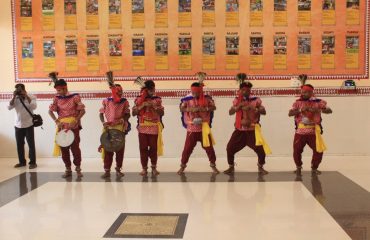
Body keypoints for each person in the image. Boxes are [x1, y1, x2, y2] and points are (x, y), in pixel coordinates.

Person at [224, 78, 271, 175]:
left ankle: (261, 167)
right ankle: (231, 167)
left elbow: (264, 111)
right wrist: (238, 107)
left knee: (261, 151)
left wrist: (254, 108)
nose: (246, 92)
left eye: (248, 90)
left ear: (250, 91)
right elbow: (230, 112)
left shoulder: (256, 100)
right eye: (243, 90)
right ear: (240, 90)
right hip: (239, 130)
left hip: (252, 130)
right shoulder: (237, 100)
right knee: (230, 148)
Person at [288, 83, 332, 175]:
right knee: (297, 150)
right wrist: (300, 110)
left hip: (313, 131)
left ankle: (314, 168)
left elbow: (329, 111)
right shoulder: (297, 102)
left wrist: (319, 110)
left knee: (319, 150)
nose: (303, 94)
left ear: (311, 93)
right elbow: (290, 113)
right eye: (302, 92)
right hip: (300, 131)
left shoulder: (318, 102)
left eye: (305, 92)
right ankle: (298, 167)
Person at [178, 80, 219, 175]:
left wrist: (205, 108)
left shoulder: (207, 99)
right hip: (192, 128)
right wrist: (190, 109)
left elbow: (214, 107)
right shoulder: (187, 99)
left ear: (200, 92)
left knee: (209, 148)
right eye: (193, 92)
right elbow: (181, 108)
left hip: (204, 128)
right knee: (187, 149)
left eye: (196, 92)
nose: (194, 94)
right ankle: (182, 166)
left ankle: (213, 166)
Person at [48, 75, 85, 178]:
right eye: (57, 90)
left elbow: (82, 110)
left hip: (73, 125)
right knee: (64, 149)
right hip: (61, 126)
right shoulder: (56, 98)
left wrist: (76, 120)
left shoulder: (75, 97)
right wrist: (57, 121)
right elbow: (50, 111)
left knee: (75, 148)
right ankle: (68, 169)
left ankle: (78, 168)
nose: (58, 92)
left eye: (59, 90)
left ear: (65, 88)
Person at [132, 80, 164, 176]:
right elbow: (133, 113)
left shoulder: (157, 99)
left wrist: (154, 106)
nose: (152, 91)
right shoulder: (138, 99)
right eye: (150, 90)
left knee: (154, 148)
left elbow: (162, 113)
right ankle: (144, 169)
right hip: (142, 127)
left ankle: (154, 168)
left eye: (153, 89)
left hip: (154, 127)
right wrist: (142, 105)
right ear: (145, 90)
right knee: (143, 148)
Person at [99, 84, 130, 178]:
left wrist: (123, 120)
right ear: (113, 92)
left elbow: (127, 114)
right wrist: (103, 122)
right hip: (108, 128)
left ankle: (118, 169)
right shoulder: (106, 101)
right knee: (108, 150)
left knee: (119, 150)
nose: (120, 93)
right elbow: (101, 113)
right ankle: (107, 171)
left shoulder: (124, 102)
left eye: (121, 91)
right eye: (118, 92)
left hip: (120, 128)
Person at [7, 84, 37, 169]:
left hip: (29, 124)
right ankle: (22, 162)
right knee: (19, 144)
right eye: (18, 90)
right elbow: (9, 107)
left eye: (20, 90)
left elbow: (34, 106)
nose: (19, 92)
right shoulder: (16, 98)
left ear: (24, 89)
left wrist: (26, 96)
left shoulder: (31, 96)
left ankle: (33, 162)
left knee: (31, 144)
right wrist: (13, 97)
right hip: (18, 125)